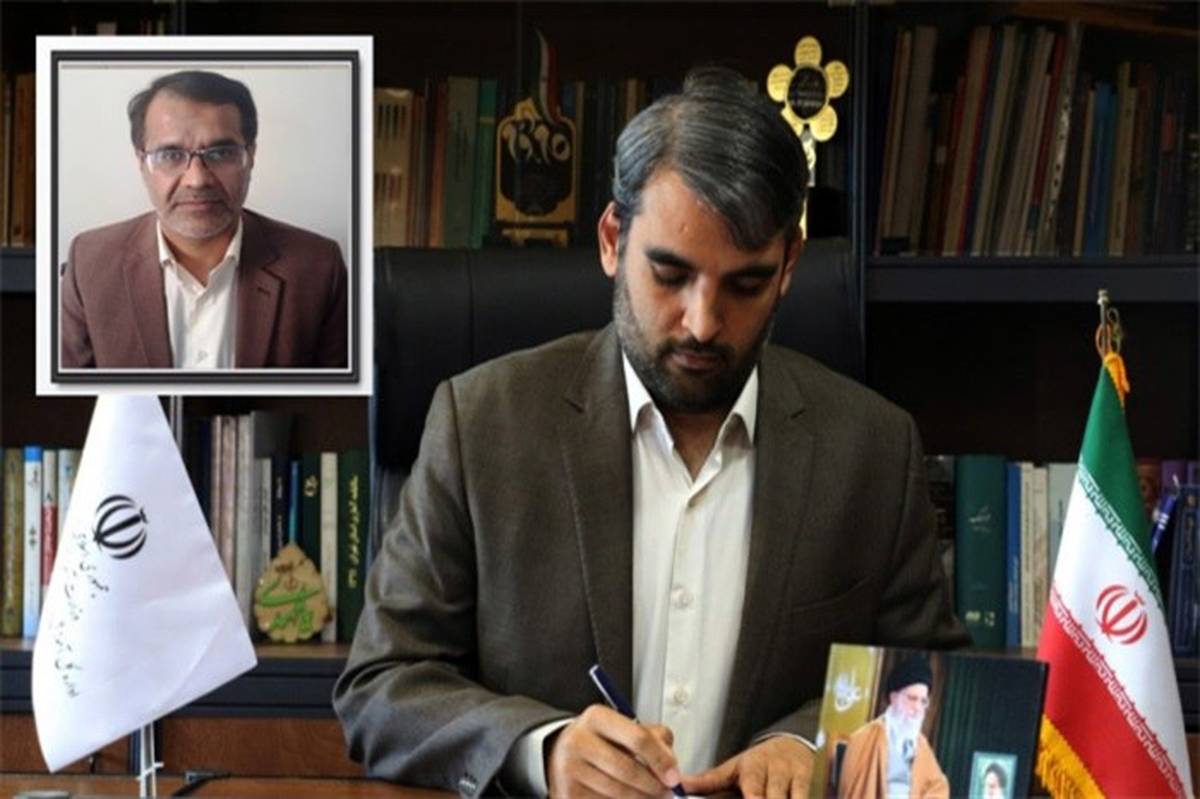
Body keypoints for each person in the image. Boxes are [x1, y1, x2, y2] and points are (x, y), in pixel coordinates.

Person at [334, 67, 965, 799]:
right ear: (612, 240)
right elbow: (381, 687)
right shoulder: (480, 424)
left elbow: (934, 678)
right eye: (670, 274)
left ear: (789, 265)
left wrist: (812, 742)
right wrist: (542, 750)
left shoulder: (873, 449)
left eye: (746, 284)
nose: (703, 322)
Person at [59, 70, 348, 370]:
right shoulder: (89, 265)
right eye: (170, 155)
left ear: (251, 157)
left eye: (221, 153)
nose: (197, 180)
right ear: (141, 163)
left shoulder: (318, 268)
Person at [837, 656, 949, 799]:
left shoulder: (921, 744)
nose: (918, 708)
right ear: (894, 698)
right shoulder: (865, 738)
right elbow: (854, 791)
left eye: (923, 701)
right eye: (912, 698)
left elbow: (938, 786)